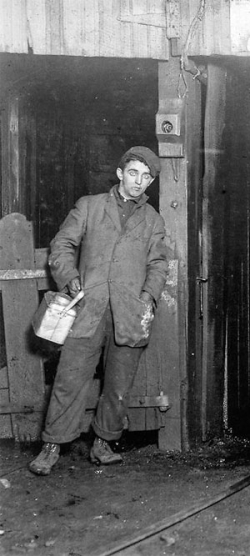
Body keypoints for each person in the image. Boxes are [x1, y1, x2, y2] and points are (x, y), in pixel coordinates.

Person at [29, 146, 169, 476]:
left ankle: (103, 442)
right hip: (87, 309)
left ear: (150, 182)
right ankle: (52, 445)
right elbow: (61, 245)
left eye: (146, 176)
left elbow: (158, 264)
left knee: (118, 386)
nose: (139, 181)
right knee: (69, 379)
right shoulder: (89, 206)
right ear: (120, 173)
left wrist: (148, 297)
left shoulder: (153, 220)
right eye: (133, 172)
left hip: (128, 312)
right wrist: (69, 278)